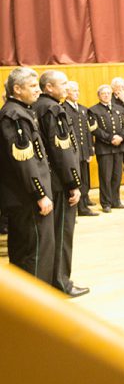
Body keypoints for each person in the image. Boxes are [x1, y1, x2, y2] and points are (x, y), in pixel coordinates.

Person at [35, 70, 89, 297]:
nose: (67, 87)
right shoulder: (53, 109)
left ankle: (52, 279)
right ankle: (61, 281)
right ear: (49, 87)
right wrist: (73, 183)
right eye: (63, 83)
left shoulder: (37, 106)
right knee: (62, 234)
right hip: (60, 183)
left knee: (51, 236)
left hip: (48, 180)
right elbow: (62, 151)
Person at [0, 68, 55, 285]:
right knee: (36, 252)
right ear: (17, 88)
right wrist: (39, 194)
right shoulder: (15, 116)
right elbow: (24, 161)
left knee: (25, 250)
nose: (38, 90)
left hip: (23, 196)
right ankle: (37, 302)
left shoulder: (19, 111)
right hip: (27, 198)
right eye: (32, 86)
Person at [89, 85, 124, 213]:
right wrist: (111, 138)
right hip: (105, 148)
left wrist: (121, 137)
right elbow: (95, 129)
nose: (106, 95)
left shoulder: (119, 108)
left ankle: (116, 201)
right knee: (105, 177)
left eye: (108, 93)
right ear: (99, 96)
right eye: (103, 93)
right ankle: (106, 203)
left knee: (117, 176)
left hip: (119, 147)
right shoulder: (93, 110)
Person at [63, 81, 98, 216]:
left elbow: (87, 131)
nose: (77, 93)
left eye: (78, 90)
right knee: (75, 180)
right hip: (73, 152)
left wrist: (90, 149)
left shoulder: (83, 109)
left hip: (83, 151)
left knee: (84, 179)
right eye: (74, 90)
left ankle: (84, 203)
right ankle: (79, 208)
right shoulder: (63, 109)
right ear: (67, 93)